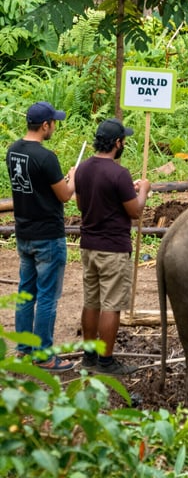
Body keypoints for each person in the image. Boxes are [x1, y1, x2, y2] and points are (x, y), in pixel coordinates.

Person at [75, 118, 150, 375]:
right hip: (113, 249)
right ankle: (106, 361)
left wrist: (126, 192)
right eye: (124, 141)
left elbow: (81, 205)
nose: (124, 144)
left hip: (88, 246)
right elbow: (135, 211)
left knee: (91, 301)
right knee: (111, 305)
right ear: (117, 143)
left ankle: (88, 356)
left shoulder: (83, 169)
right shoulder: (119, 174)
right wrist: (143, 190)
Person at [5, 101, 77, 371]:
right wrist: (73, 177)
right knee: (47, 297)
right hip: (47, 236)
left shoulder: (13, 151)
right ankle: (44, 355)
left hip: (24, 233)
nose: (54, 127)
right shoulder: (46, 158)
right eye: (53, 123)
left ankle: (23, 350)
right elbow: (65, 195)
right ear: (45, 125)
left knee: (26, 293)